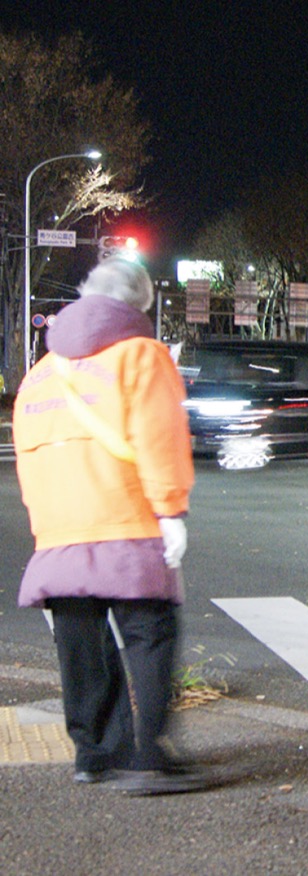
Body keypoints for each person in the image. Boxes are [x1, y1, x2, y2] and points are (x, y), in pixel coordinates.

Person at [14, 258, 205, 795]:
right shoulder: (141, 356)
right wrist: (170, 512)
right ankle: (147, 755)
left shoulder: (42, 373)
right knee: (149, 632)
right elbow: (160, 437)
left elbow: (30, 459)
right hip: (125, 521)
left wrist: (45, 524)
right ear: (136, 306)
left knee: (80, 645)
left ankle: (93, 753)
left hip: (58, 531)